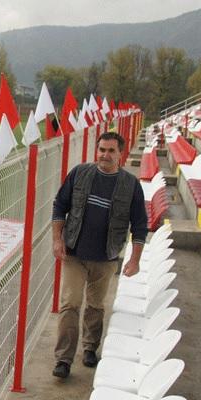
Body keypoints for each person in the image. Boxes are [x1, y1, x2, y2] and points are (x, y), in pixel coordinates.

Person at [51, 131, 148, 379]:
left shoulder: (130, 185)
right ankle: (63, 359)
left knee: (95, 306)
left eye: (111, 151)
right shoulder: (80, 173)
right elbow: (60, 205)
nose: (105, 155)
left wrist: (135, 259)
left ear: (120, 154)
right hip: (74, 252)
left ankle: (90, 349)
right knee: (70, 304)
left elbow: (139, 224)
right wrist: (57, 239)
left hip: (106, 257)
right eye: (102, 149)